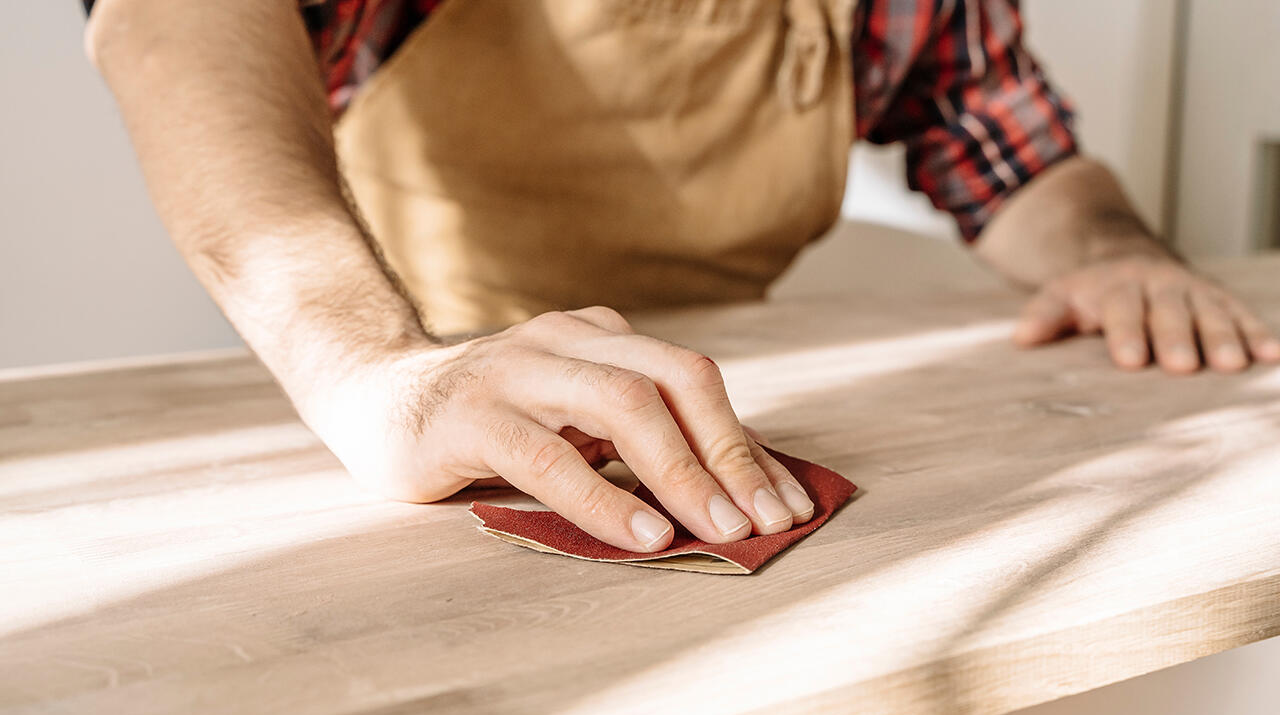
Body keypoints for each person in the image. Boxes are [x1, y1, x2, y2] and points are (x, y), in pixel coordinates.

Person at [83, 0, 1279, 553]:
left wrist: (1112, 251)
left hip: (728, 400)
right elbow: (170, 20)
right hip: (398, 407)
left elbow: (1000, 139)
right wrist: (375, 371)